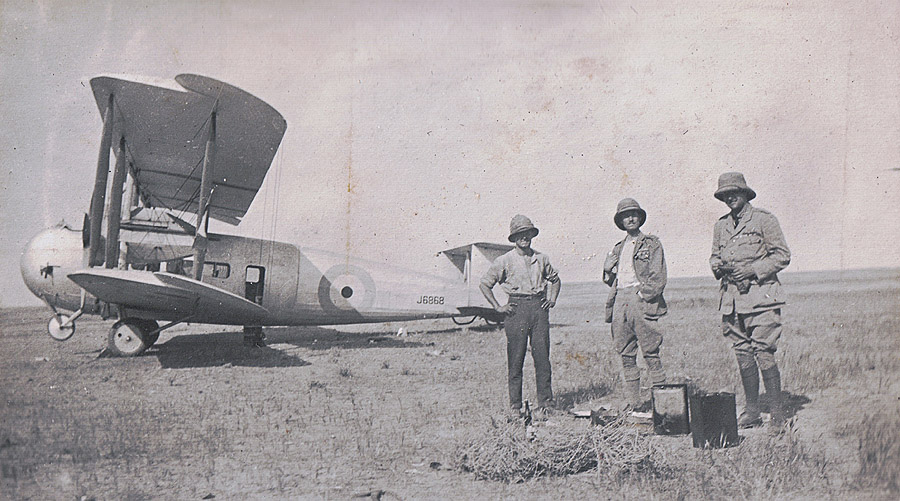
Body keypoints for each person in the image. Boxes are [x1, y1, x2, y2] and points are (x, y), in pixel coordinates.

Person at [709, 172, 791, 428]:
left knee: (764, 353)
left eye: (734, 192)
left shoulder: (764, 220)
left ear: (745, 193)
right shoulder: (720, 226)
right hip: (731, 301)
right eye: (724, 195)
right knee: (743, 355)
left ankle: (777, 414)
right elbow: (713, 257)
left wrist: (753, 270)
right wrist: (718, 266)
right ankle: (752, 411)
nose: (729, 197)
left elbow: (782, 256)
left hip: (760, 298)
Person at [480, 215, 561, 418]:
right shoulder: (504, 260)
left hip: (539, 309)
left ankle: (546, 403)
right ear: (514, 237)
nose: (524, 238)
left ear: (532, 235)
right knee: (516, 359)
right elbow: (485, 284)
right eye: (519, 234)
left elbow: (556, 280)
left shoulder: (541, 258)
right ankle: (515, 406)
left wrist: (551, 299)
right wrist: (498, 307)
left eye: (527, 234)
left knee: (542, 358)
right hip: (516, 310)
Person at [602, 198, 668, 411]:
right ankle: (634, 403)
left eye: (634, 214)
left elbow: (658, 276)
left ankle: (664, 404)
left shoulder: (651, 243)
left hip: (640, 300)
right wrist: (606, 270)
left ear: (640, 218)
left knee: (650, 351)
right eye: (625, 215)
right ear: (620, 221)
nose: (630, 218)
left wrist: (642, 294)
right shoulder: (617, 248)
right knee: (626, 353)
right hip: (620, 300)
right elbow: (611, 280)